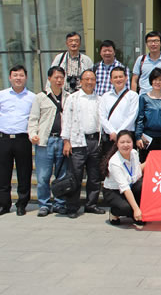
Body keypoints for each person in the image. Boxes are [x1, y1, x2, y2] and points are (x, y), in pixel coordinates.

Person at [0, 65, 36, 217]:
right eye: (15, 75)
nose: (18, 78)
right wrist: (3, 128)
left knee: (24, 173)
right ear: (10, 78)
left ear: (26, 77)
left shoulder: (32, 97)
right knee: (3, 173)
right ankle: (4, 204)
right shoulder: (1, 95)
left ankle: (22, 204)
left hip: (23, 139)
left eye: (21, 75)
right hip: (4, 140)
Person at [61, 69, 103, 218]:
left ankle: (91, 204)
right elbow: (66, 120)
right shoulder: (73, 98)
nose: (90, 82)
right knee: (75, 175)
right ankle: (72, 207)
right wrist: (66, 141)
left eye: (92, 79)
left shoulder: (99, 99)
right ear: (80, 81)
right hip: (77, 142)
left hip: (94, 141)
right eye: (87, 79)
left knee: (94, 176)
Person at [28, 66, 69, 217]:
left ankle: (60, 203)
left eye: (61, 78)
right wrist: (33, 134)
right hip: (45, 141)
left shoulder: (68, 97)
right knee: (43, 176)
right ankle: (44, 204)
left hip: (62, 140)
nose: (59, 80)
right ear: (49, 78)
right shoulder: (40, 97)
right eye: (56, 77)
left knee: (62, 175)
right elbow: (33, 118)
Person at [101, 131, 145, 226]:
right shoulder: (114, 162)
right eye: (122, 142)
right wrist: (136, 209)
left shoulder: (134, 153)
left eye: (128, 142)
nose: (126, 145)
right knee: (127, 208)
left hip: (131, 185)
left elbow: (137, 171)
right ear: (117, 144)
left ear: (132, 143)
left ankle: (136, 213)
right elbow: (125, 188)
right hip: (114, 191)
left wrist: (151, 159)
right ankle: (114, 212)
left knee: (143, 185)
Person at [98, 66, 139, 156]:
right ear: (111, 80)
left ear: (126, 78)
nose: (118, 79)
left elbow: (132, 116)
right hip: (110, 137)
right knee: (108, 162)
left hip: (127, 137)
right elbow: (102, 116)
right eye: (115, 77)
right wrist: (112, 132)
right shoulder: (105, 96)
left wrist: (119, 133)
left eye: (120, 77)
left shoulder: (133, 95)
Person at [135, 68, 161, 160]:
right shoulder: (143, 98)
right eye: (155, 79)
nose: (157, 82)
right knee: (147, 162)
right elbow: (140, 118)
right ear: (151, 81)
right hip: (148, 137)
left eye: (160, 80)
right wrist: (138, 136)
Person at [131, 31, 161, 96]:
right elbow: (134, 80)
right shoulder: (140, 60)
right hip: (143, 97)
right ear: (146, 44)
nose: (153, 44)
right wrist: (133, 98)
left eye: (156, 41)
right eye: (150, 41)